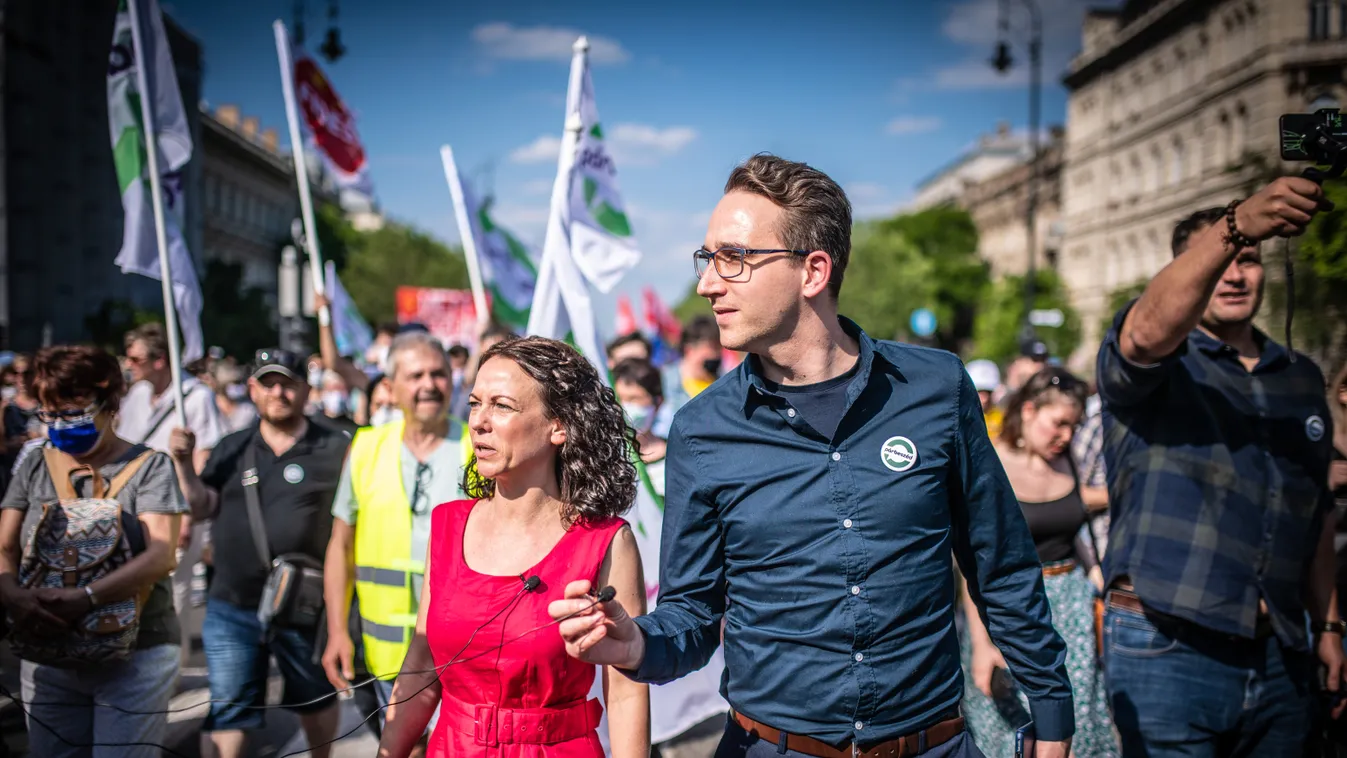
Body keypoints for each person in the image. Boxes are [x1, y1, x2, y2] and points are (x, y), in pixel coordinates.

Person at [551, 154, 1073, 758]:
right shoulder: (701, 429)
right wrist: (634, 644)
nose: (707, 283)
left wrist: (1051, 715)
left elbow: (1000, 564)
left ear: (813, 271)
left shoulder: (937, 387)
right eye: (707, 258)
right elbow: (692, 613)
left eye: (733, 258)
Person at [1097, 179, 1344, 758]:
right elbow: (1145, 332)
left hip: (1281, 651)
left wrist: (1329, 627)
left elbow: (1318, 514)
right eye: (1220, 260)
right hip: (1168, 642)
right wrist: (1235, 228)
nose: (1234, 273)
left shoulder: (1300, 377)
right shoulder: (1158, 362)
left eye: (1250, 260)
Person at [377, 336, 649, 758]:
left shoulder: (607, 540)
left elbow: (627, 688)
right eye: (473, 403)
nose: (479, 422)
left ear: (559, 425)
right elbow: (421, 663)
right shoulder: (448, 525)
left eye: (501, 406)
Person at [0, 345, 186, 757]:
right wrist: (12, 594)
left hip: (136, 653)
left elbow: (161, 555)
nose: (60, 425)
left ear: (110, 404)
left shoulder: (151, 467)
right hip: (48, 648)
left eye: (74, 412)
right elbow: (4, 544)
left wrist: (85, 598)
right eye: (49, 413)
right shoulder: (34, 464)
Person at [174, 349, 346, 758]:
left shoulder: (336, 446)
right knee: (231, 708)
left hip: (303, 605)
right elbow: (201, 506)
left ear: (306, 389)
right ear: (253, 389)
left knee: (314, 697)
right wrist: (182, 464)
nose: (278, 392)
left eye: (288, 383)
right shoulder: (232, 448)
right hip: (234, 604)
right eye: (268, 383)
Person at [321, 331, 471, 742]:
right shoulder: (366, 448)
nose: (429, 385)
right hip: (387, 654)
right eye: (416, 375)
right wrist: (337, 632)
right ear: (391, 386)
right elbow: (341, 545)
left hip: (460, 650)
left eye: (438, 374)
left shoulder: (477, 448)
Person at [959, 367, 1115, 758]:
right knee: (1006, 727)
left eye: (1074, 426)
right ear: (1028, 411)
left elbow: (1080, 512)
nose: (1066, 436)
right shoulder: (990, 460)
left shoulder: (1071, 462)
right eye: (1058, 424)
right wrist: (981, 643)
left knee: (1076, 728)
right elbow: (970, 562)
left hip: (1073, 613)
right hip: (1009, 606)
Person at [611, 357, 729, 758]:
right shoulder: (609, 469)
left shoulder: (679, 457)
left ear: (657, 403)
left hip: (679, 612)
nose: (630, 408)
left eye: (637, 398)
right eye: (621, 398)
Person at [118, 323, 226, 663]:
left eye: (136, 359)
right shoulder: (135, 396)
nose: (129, 364)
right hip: (132, 511)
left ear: (160, 360)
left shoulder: (195, 397)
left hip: (175, 511)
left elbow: (204, 460)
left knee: (171, 593)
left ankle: (169, 670)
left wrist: (189, 516)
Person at [212, 360, 259, 434]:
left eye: (237, 382)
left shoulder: (248, 410)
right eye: (231, 383)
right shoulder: (210, 405)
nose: (235, 387)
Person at [964, 359, 1003, 440]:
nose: (984, 399)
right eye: (978, 392)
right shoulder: (960, 419)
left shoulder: (1003, 419)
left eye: (988, 392)